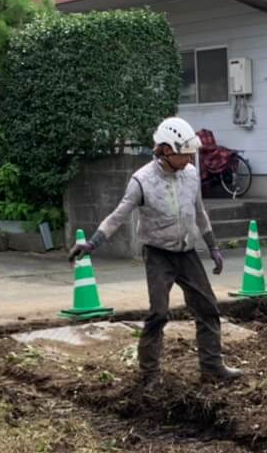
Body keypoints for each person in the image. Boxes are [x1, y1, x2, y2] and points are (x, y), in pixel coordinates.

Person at [71, 117, 242, 385]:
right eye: (184, 154)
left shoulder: (191, 176)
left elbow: (199, 213)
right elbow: (118, 215)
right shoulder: (141, 181)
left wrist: (213, 246)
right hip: (158, 253)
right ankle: (149, 373)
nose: (189, 159)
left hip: (187, 252)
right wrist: (93, 243)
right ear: (165, 150)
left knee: (208, 307)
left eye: (190, 154)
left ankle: (212, 366)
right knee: (159, 313)